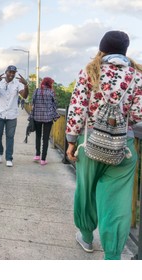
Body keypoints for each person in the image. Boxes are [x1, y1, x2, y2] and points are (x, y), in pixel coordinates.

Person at [65, 30, 142, 260]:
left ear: (102, 49)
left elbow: (76, 110)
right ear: (125, 51)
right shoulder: (136, 76)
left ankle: (87, 237)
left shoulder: (90, 72)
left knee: (86, 192)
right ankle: (112, 256)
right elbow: (139, 114)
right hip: (123, 147)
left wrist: (71, 142)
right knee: (117, 203)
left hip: (89, 144)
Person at [0, 65, 29, 167]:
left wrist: (26, 85)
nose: (11, 74)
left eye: (13, 73)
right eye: (9, 72)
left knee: (10, 137)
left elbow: (24, 95)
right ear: (6, 72)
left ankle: (9, 158)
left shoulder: (17, 83)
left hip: (12, 115)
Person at [31, 77, 59, 166]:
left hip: (37, 117)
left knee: (38, 136)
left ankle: (37, 155)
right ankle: (43, 159)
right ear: (50, 83)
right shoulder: (51, 92)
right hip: (48, 118)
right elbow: (55, 104)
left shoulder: (36, 91)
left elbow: (33, 102)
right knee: (45, 138)